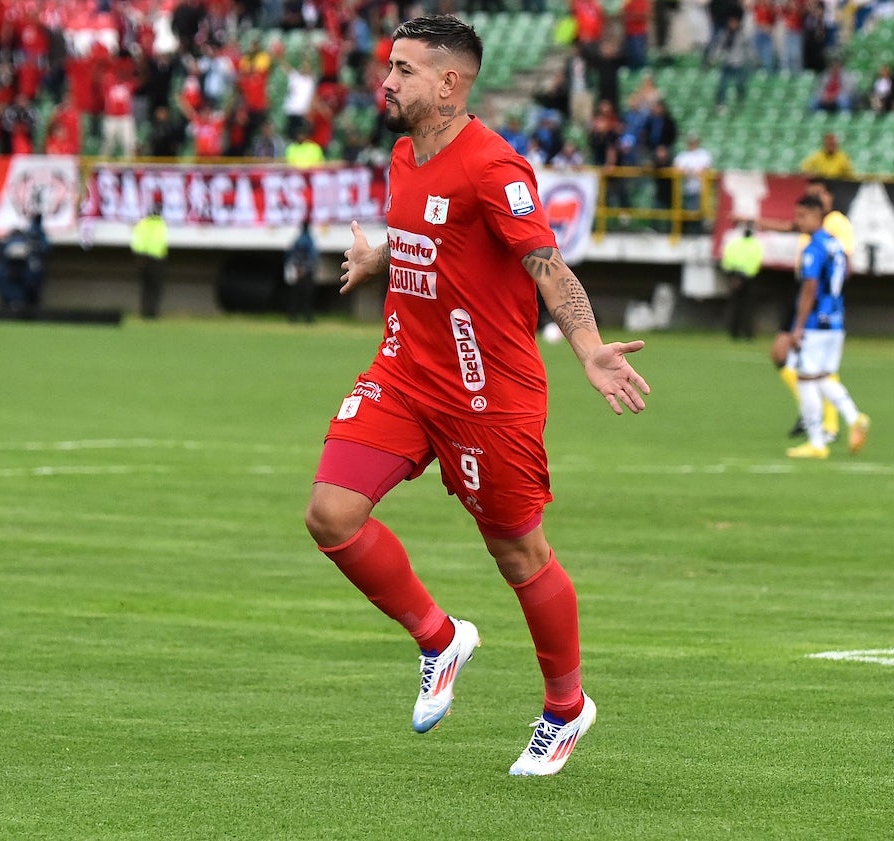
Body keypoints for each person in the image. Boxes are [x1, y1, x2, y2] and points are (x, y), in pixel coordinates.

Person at [303, 15, 650, 778]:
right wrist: (381, 251)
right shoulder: (403, 153)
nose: (385, 82)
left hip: (487, 393)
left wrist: (590, 349)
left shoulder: (496, 167)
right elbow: (438, 231)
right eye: (388, 66)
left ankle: (566, 710)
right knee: (330, 513)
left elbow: (549, 268)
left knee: (517, 551)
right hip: (403, 372)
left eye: (402, 69)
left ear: (449, 84)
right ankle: (439, 638)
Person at [745, 177, 853, 442]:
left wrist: (824, 297)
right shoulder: (812, 229)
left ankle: (830, 424)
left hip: (815, 299)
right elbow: (790, 226)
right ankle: (824, 415)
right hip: (809, 294)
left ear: (827, 198)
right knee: (784, 356)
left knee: (814, 370)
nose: (811, 199)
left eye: (817, 194)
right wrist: (755, 223)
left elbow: (844, 263)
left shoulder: (835, 225)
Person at [785, 194, 870, 458]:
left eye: (802, 216)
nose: (799, 222)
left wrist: (798, 326)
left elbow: (810, 288)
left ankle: (816, 443)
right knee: (823, 377)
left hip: (815, 324)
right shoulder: (836, 245)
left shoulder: (814, 248)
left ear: (816, 215)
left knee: (805, 380)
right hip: (835, 321)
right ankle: (854, 417)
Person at [721, 223, 764, 340]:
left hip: (741, 278)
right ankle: (741, 333)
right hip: (746, 278)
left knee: (742, 307)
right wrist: (737, 276)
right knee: (744, 307)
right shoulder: (754, 245)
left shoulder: (735, 244)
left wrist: (734, 275)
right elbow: (756, 262)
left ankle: (741, 333)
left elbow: (727, 260)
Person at [130, 204, 168, 319]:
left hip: (144, 259)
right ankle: (152, 313)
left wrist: (139, 256)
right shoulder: (161, 224)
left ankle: (145, 311)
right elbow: (162, 242)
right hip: (157, 259)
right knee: (155, 288)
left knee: (146, 287)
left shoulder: (143, 224)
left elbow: (136, 242)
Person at [284, 219, 317, 323]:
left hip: (296, 271)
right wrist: (305, 268)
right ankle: (307, 318)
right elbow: (313, 256)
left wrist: (294, 267)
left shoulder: (297, 240)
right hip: (306, 272)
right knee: (306, 296)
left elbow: (289, 254)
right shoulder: (310, 240)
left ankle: (293, 317)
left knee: (295, 295)